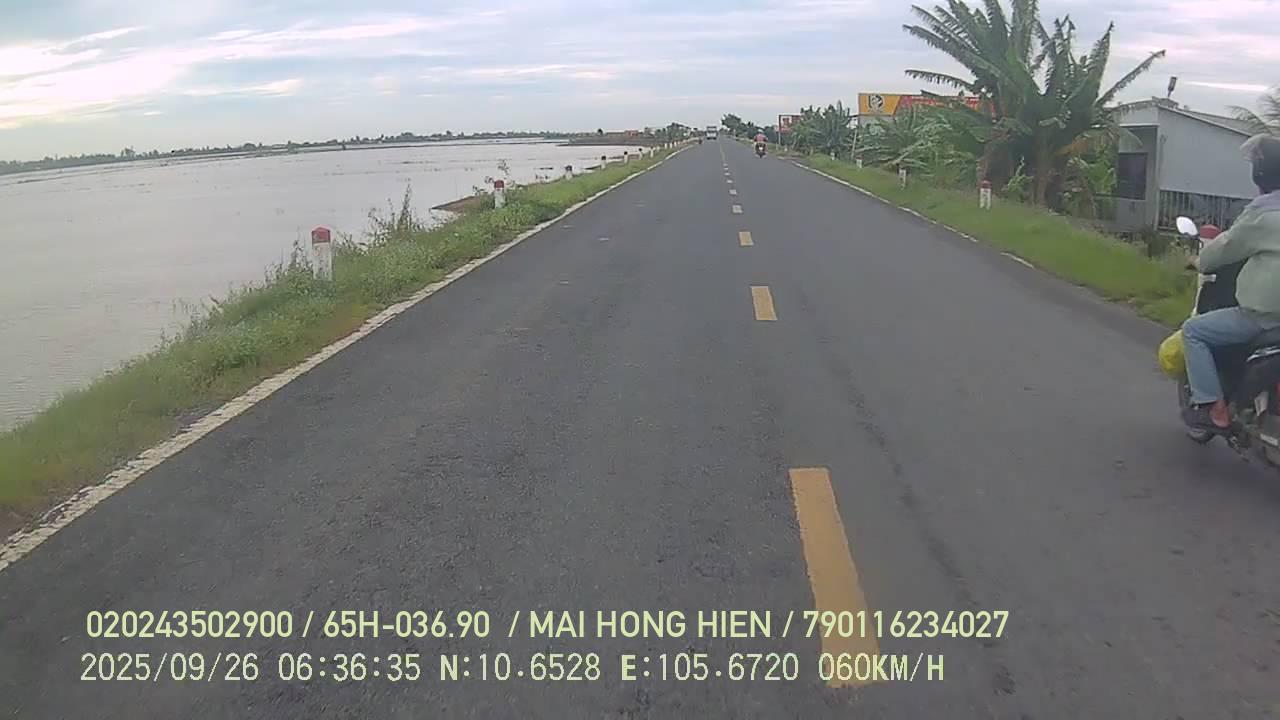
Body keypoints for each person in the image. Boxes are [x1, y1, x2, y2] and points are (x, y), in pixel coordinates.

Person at [1182, 134, 1280, 429]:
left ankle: (1215, 409)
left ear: (1260, 174)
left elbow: (1225, 247)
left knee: (1194, 332)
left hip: (1264, 316)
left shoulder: (1263, 214)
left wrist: (1200, 261)